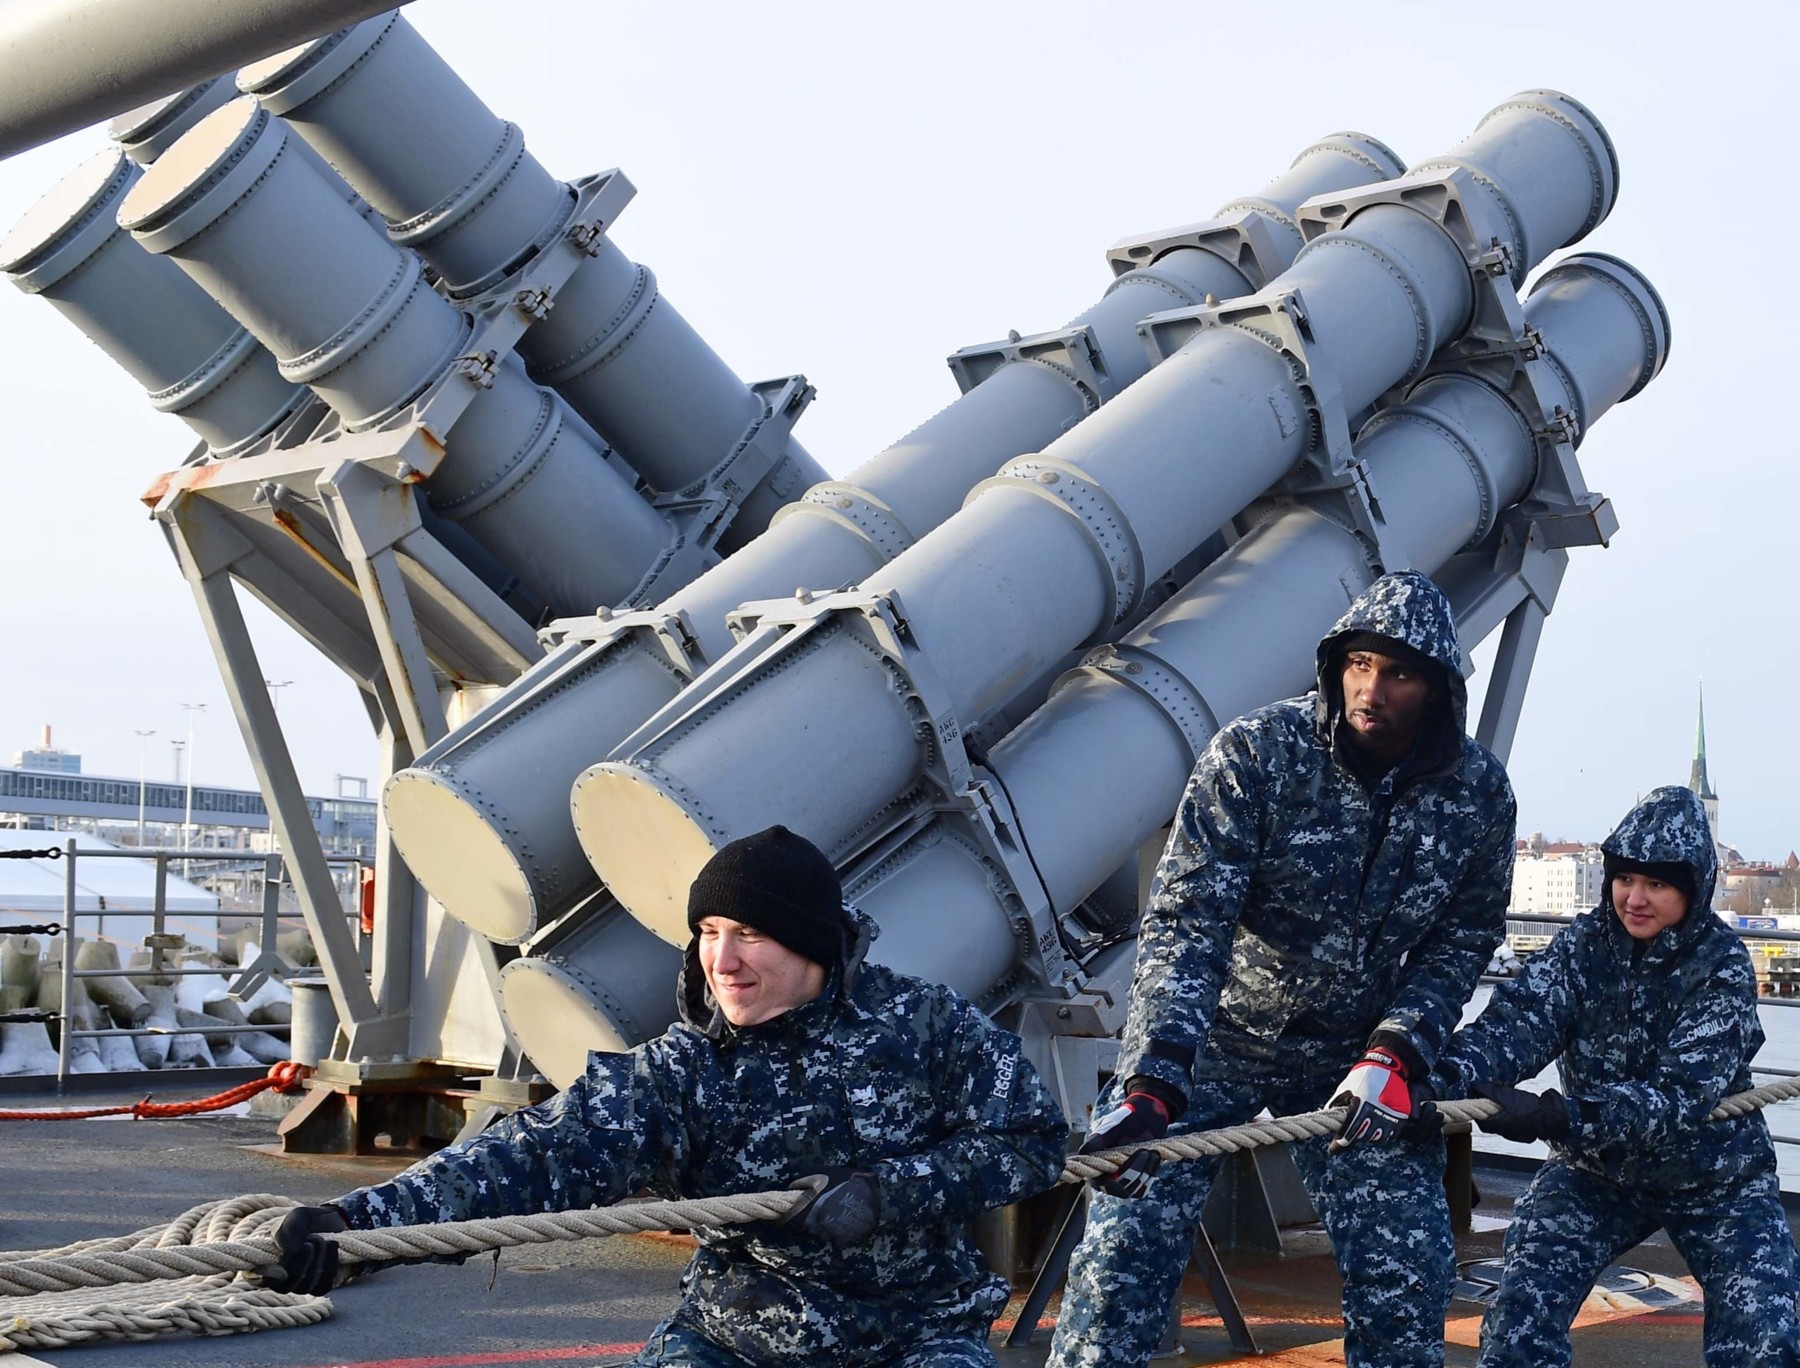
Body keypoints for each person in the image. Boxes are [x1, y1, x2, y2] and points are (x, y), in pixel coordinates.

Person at [265, 825, 1070, 1367]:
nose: (721, 959)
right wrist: (357, 1226)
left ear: (814, 944)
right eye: (710, 931)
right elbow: (539, 1154)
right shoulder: (683, 1071)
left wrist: (885, 1194)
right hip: (739, 1339)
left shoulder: (923, 1025)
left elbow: (1032, 1139)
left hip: (913, 1338)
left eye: (749, 934)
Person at [1047, 569, 1517, 1368]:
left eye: (1399, 672)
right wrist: (1153, 1081)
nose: (1371, 688)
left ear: (1437, 688)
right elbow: (1189, 924)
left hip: (1353, 1053)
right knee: (1120, 1263)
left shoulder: (1477, 793)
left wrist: (1397, 1052)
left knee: (1408, 1272)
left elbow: (1463, 937)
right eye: (1359, 664)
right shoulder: (1257, 754)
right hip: (1215, 1039)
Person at [1436, 785, 1800, 1367]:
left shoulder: (1722, 966)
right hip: (1594, 1175)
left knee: (1765, 1341)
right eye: (1625, 878)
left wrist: (1556, 1115)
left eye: (1657, 884)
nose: (1635, 898)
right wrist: (1435, 1080)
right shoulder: (1583, 947)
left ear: (1692, 888)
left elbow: (1676, 1096)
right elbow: (1516, 1025)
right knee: (1517, 1324)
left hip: (1714, 1180)